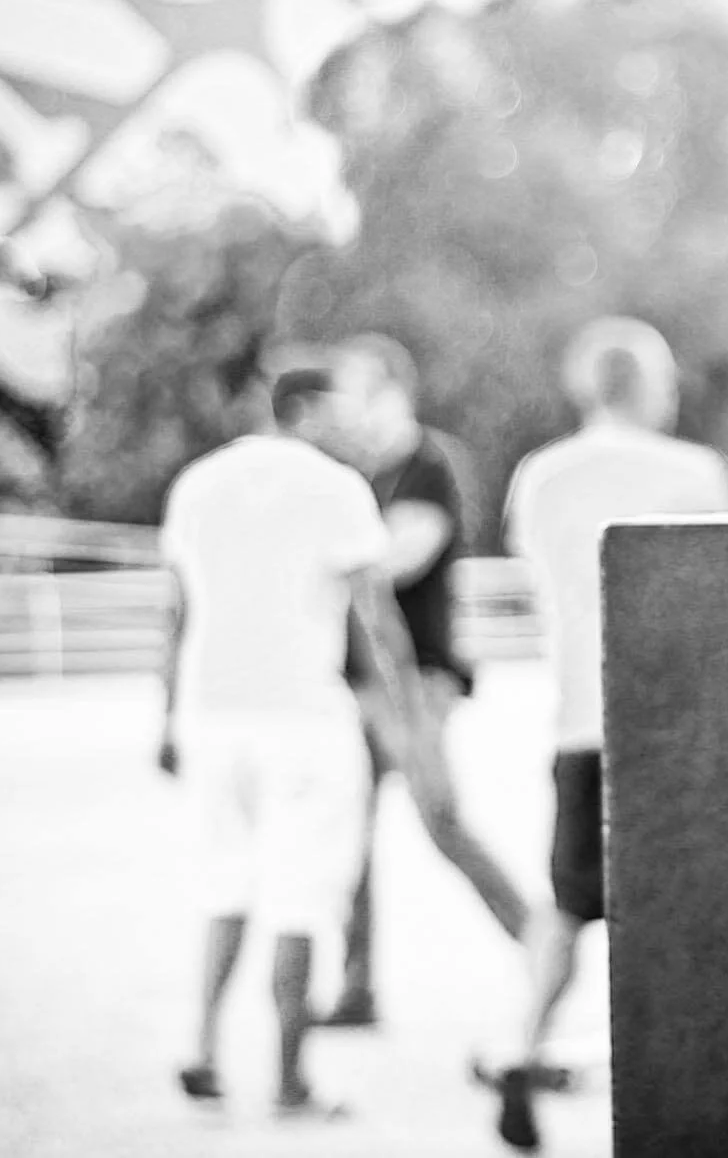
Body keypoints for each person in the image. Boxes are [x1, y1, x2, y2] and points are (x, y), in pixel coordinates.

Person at [491, 316, 728, 1150]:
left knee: (566, 901)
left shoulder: (540, 476)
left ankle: (522, 1044)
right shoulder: (695, 473)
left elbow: (545, 590)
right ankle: (690, 1070)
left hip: (577, 718)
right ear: (645, 384)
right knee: (690, 906)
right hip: (676, 728)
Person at [157, 366, 429, 1116]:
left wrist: (166, 717)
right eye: (340, 409)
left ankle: (205, 1048)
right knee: (299, 893)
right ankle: (288, 1079)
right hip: (303, 718)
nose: (352, 426)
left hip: (211, 715)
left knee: (223, 883)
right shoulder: (336, 487)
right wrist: (404, 714)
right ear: (303, 409)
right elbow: (374, 616)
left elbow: (177, 613)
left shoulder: (198, 484)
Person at [312, 332, 529, 1031]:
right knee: (350, 835)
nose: (340, 407)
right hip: (365, 681)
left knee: (443, 821)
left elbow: (400, 557)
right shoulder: (361, 473)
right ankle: (356, 986)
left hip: (415, 681)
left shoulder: (428, 464)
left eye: (351, 389)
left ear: (388, 390)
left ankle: (537, 944)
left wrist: (325, 552)